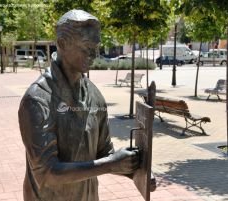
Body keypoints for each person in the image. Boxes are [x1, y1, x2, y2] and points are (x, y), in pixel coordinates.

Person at [18, 9, 140, 201]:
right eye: (86, 47)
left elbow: (105, 153)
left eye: (96, 46)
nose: (94, 54)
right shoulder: (37, 100)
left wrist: (135, 170)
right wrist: (110, 164)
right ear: (62, 44)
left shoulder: (94, 95)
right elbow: (47, 173)